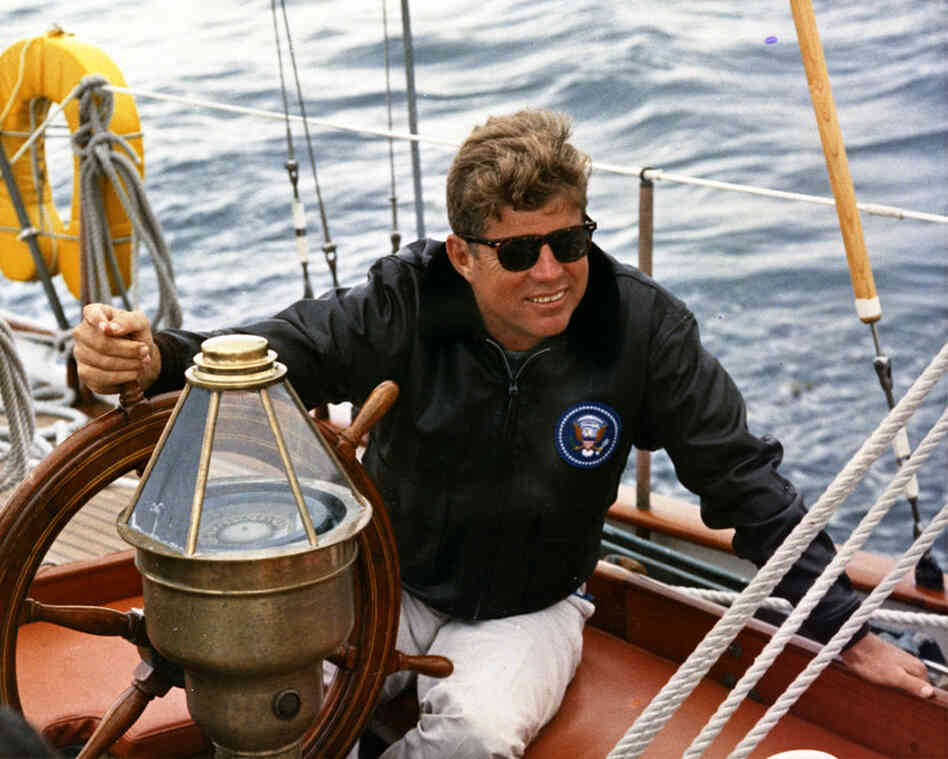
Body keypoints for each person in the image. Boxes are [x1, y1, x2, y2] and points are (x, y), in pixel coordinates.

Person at [73, 110, 933, 758]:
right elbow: (269, 360)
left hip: (532, 604)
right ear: (462, 254)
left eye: (570, 241)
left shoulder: (643, 331)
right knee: (277, 697)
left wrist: (846, 630)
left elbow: (742, 479)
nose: (552, 273)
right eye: (520, 253)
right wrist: (151, 355)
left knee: (473, 738)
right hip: (387, 583)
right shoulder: (404, 302)